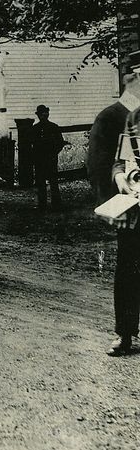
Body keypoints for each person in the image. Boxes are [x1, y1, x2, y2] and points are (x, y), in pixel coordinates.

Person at [88, 62, 140, 356]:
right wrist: (119, 179)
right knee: (130, 270)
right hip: (134, 210)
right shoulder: (123, 119)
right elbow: (112, 162)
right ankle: (126, 332)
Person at [31, 104, 66, 209]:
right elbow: (32, 143)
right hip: (39, 159)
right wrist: (35, 156)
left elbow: (60, 143)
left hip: (51, 158)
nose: (43, 116)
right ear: (38, 115)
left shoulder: (54, 127)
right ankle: (42, 204)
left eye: (45, 113)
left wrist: (54, 153)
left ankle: (56, 204)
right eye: (41, 114)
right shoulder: (35, 129)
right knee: (40, 182)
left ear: (47, 114)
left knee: (53, 181)